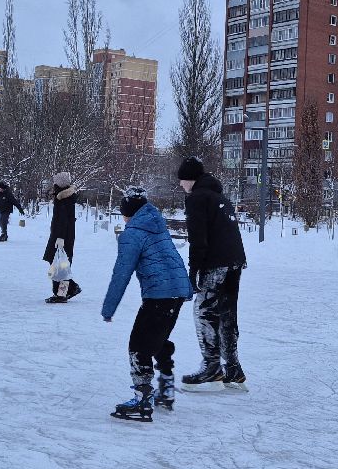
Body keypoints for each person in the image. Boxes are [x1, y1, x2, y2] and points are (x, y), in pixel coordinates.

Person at [101, 189, 194, 422]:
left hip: (159, 295)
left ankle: (143, 400)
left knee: (138, 346)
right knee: (158, 340)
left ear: (127, 214)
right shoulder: (157, 225)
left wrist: (108, 308)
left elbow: (121, 273)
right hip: (176, 293)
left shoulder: (132, 233)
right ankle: (166, 389)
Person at [175, 156, 249, 391]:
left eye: (182, 180)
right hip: (235, 261)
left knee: (204, 309)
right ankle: (233, 368)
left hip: (216, 262)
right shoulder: (220, 197)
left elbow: (198, 238)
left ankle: (211, 366)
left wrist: (194, 270)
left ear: (190, 179)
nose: (180, 185)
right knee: (227, 313)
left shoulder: (197, 198)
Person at [43, 172, 82, 302]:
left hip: (61, 237)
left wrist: (60, 238)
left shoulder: (64, 199)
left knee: (61, 265)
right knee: (58, 264)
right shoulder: (63, 198)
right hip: (61, 236)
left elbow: (63, 220)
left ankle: (63, 293)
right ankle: (64, 292)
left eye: (55, 183)